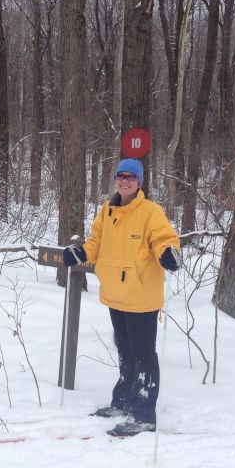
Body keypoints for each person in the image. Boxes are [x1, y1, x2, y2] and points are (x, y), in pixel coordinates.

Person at [63, 157, 181, 437]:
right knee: (125, 351)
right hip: (115, 293)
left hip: (141, 296)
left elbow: (165, 239)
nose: (125, 181)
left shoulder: (150, 211)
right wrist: (81, 253)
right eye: (121, 176)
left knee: (143, 353)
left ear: (139, 182)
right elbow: (96, 242)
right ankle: (123, 401)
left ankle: (144, 415)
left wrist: (168, 253)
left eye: (131, 177)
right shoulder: (107, 210)